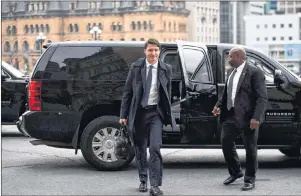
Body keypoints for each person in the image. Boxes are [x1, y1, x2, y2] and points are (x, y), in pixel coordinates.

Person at [119, 38, 175, 196]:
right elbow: (127, 92)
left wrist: (167, 112)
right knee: (141, 148)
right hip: (139, 114)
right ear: (145, 51)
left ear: (159, 52)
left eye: (156, 50)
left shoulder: (166, 69)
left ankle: (155, 185)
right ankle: (143, 179)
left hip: (156, 113)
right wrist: (123, 115)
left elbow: (167, 92)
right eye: (150, 50)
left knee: (155, 148)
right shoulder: (136, 67)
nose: (153, 53)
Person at [212, 46, 267, 191]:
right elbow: (226, 93)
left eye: (230, 57)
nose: (228, 60)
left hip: (248, 118)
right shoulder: (231, 72)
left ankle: (249, 179)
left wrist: (256, 117)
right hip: (230, 115)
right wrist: (218, 105)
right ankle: (236, 172)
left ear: (238, 57)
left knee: (250, 149)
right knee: (225, 142)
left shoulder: (255, 72)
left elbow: (262, 98)